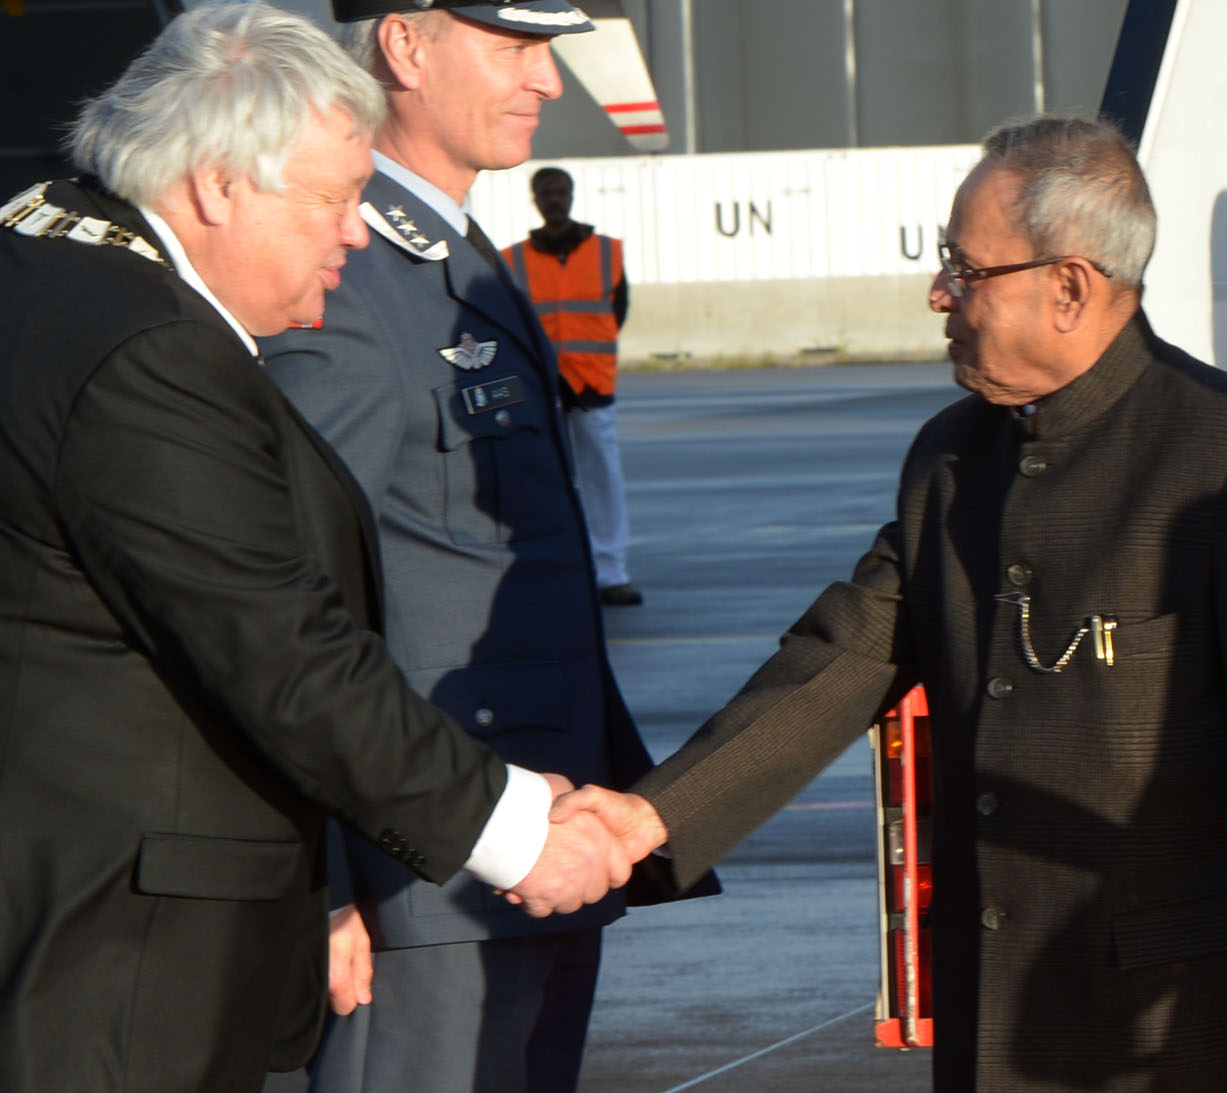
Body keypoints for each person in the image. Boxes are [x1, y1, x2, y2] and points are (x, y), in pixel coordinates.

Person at [0, 7, 630, 1091]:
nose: (351, 234)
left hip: (24, 911)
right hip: (75, 955)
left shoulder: (37, 251)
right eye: (333, 201)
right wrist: (517, 829)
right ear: (215, 184)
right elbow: (281, 649)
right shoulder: (144, 353)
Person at [554, 116, 1227, 1092]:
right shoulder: (951, 459)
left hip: (1177, 1032)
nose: (937, 293)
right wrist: (650, 815)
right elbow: (841, 659)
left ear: (1068, 286)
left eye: (965, 270)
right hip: (995, 1018)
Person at [261, 2, 715, 1090]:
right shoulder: (346, 272)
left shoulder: (459, 253)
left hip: (534, 856)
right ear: (406, 45)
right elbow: (286, 609)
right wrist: (322, 884)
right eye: (514, 46)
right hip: (420, 883)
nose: (548, 81)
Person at [502, 166, 640, 606]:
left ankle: (610, 572)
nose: (554, 199)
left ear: (573, 195)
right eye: (546, 192)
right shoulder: (513, 259)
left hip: (591, 386)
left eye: (560, 191)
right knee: (541, 480)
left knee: (601, 479)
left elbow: (616, 311)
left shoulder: (606, 252)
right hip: (539, 388)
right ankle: (553, 571)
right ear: (535, 198)